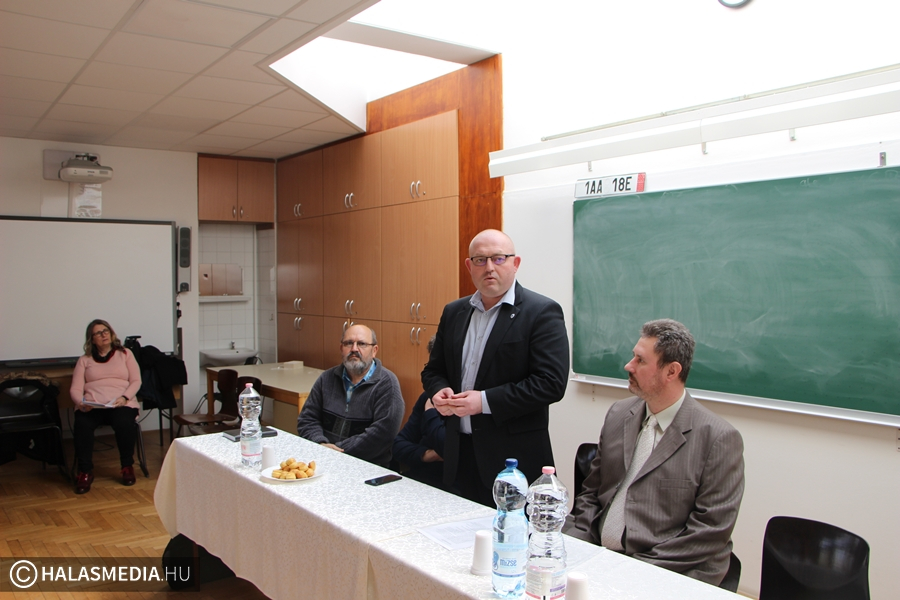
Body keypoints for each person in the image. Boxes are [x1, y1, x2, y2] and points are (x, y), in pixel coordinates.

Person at [564, 319, 745, 586]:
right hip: (600, 559)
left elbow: (709, 531)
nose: (629, 366)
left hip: (668, 570)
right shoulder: (618, 414)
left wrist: (629, 571)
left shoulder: (718, 439)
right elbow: (591, 494)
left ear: (671, 371)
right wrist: (576, 544)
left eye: (640, 360)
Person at [421, 229, 569, 506]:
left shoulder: (541, 312)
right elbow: (433, 370)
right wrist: (439, 390)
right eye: (480, 260)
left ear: (515, 263)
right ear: (469, 266)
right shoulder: (454, 312)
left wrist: (484, 402)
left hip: (513, 463)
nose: (489, 267)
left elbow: (550, 383)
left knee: (510, 533)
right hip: (459, 455)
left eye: (499, 258)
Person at [297, 324, 404, 468]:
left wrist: (338, 451)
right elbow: (307, 419)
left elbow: (383, 434)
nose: (354, 349)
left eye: (362, 344)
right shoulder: (326, 378)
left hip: (368, 467)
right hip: (323, 461)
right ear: (341, 348)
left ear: (374, 350)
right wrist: (320, 443)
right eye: (348, 343)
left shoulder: (387, 384)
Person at [70, 319, 142, 494]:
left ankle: (127, 467)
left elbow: (136, 381)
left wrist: (125, 398)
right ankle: (85, 472)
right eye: (98, 333)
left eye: (106, 331)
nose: (103, 335)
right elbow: (75, 388)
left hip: (120, 404)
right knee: (82, 424)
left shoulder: (125, 354)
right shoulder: (84, 360)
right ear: (92, 339)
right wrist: (80, 403)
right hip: (93, 406)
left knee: (124, 423)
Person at [392, 337, 446, 488]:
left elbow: (447, 450)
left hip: (451, 487)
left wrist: (431, 413)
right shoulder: (427, 397)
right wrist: (427, 455)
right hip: (418, 478)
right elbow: (398, 445)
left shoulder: (467, 403)